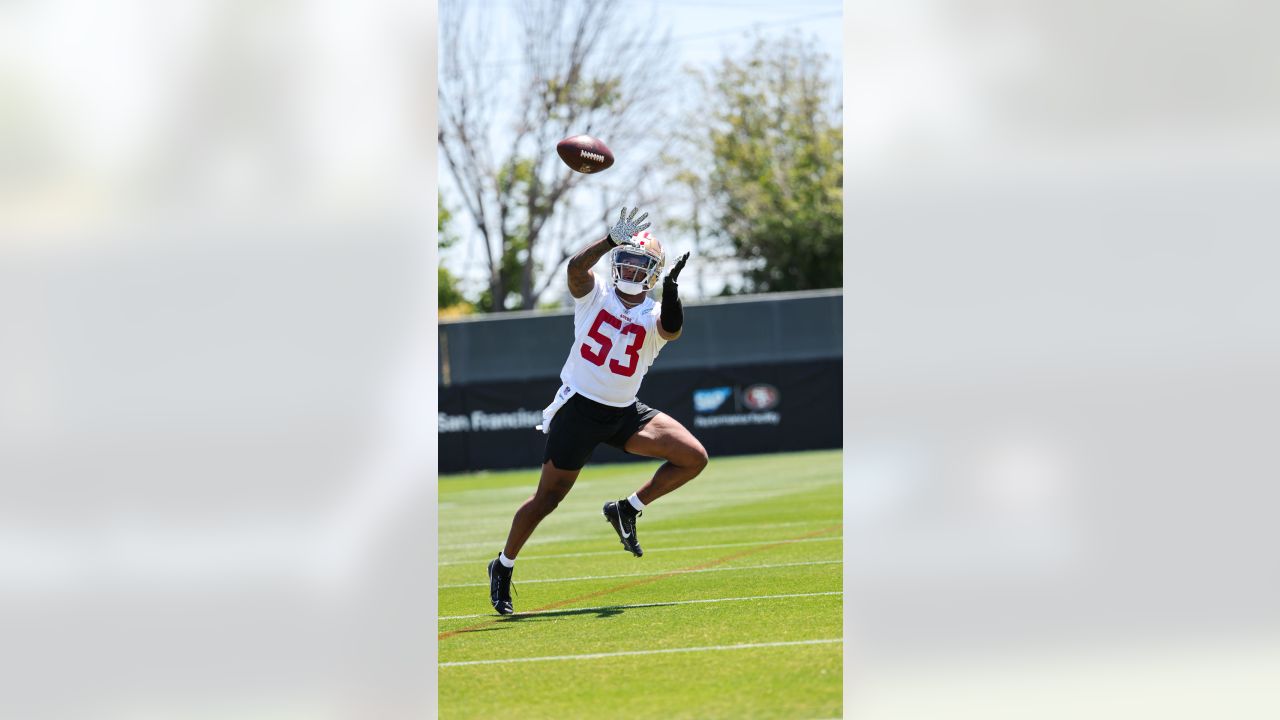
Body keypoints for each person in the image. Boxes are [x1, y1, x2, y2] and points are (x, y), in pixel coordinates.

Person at [487, 206, 709, 615]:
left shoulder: (656, 311)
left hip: (625, 412)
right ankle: (502, 565)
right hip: (580, 410)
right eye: (623, 259)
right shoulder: (595, 296)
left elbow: (672, 329)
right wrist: (609, 240)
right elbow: (575, 269)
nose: (628, 267)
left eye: (639, 263)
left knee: (693, 457)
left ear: (654, 272)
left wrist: (674, 292)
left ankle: (627, 508)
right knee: (547, 500)